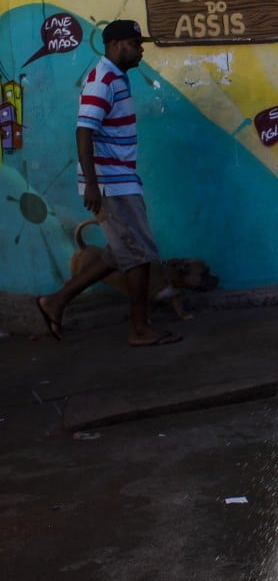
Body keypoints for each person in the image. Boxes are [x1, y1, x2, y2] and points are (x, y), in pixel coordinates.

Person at [36, 19, 182, 347]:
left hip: (118, 179)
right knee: (139, 255)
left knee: (122, 253)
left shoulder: (116, 77)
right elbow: (84, 130)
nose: (141, 49)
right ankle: (140, 329)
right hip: (110, 184)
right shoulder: (103, 79)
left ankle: (56, 302)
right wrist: (92, 184)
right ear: (114, 44)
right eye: (134, 43)